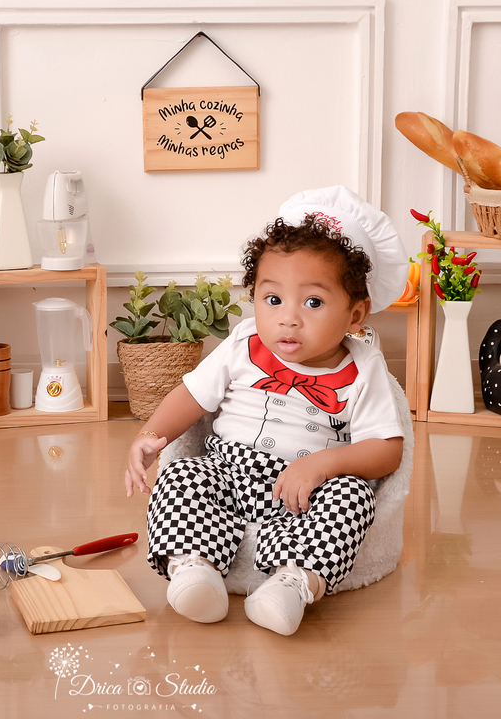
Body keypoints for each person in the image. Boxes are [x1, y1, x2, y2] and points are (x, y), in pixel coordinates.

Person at [124, 186, 409, 636]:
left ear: (356, 315)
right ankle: (194, 570)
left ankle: (293, 585)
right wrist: (149, 435)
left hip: (303, 492)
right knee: (181, 475)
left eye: (313, 302)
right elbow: (192, 396)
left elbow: (388, 451)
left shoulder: (364, 367)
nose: (288, 318)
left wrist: (325, 465)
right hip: (226, 470)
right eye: (272, 299)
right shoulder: (242, 343)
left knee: (355, 498)